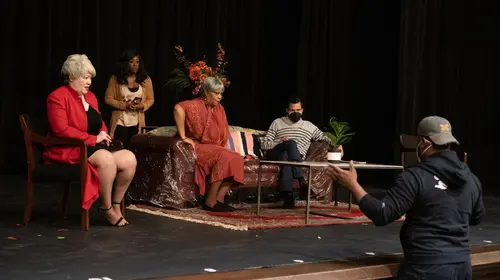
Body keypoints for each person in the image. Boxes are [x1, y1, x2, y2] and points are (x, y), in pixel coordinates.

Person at [327, 116, 484, 279]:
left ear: (424, 143)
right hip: (462, 267)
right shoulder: (470, 179)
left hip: (426, 268)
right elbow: (476, 218)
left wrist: (352, 184)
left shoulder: (415, 177)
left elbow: (383, 214)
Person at [43, 54, 137, 227]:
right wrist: (93, 138)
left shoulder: (91, 97)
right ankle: (106, 208)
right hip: (69, 149)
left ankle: (116, 205)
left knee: (129, 158)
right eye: (85, 78)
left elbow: (99, 122)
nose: (89, 82)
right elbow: (61, 130)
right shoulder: (57, 97)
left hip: (91, 147)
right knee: (106, 159)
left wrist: (103, 133)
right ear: (72, 76)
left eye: (90, 78)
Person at [173, 77, 244, 212]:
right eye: (216, 93)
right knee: (223, 155)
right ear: (206, 92)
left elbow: (224, 131)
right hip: (197, 146)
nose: (219, 97)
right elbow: (178, 108)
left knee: (237, 158)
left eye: (221, 94)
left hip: (215, 147)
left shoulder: (220, 109)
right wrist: (183, 136)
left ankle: (220, 199)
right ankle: (210, 201)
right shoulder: (195, 105)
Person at [261, 96, 342, 209]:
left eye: (298, 110)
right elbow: (264, 144)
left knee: (286, 158)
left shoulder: (309, 126)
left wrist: (337, 145)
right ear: (287, 110)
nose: (296, 113)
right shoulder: (277, 122)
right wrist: (279, 142)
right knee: (290, 144)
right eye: (293, 110)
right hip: (275, 153)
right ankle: (301, 179)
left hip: (289, 158)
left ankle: (288, 197)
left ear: (302, 110)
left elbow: (323, 137)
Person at [105, 50, 154, 148]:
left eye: (137, 62)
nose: (135, 65)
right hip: (120, 122)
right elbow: (108, 99)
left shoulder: (145, 79)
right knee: (120, 149)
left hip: (137, 122)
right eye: (131, 62)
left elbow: (150, 99)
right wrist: (124, 105)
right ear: (125, 63)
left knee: (136, 150)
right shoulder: (115, 79)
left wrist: (143, 105)